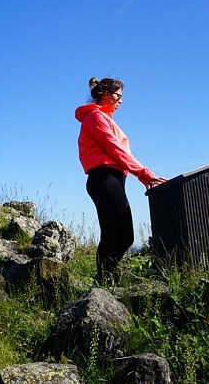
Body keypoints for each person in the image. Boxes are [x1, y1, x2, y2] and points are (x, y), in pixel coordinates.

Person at [75, 77, 166, 284]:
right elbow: (114, 149)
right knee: (122, 235)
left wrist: (140, 175)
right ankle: (105, 279)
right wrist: (143, 173)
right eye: (118, 96)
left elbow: (118, 152)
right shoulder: (95, 118)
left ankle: (106, 279)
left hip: (111, 180)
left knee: (114, 234)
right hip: (104, 178)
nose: (121, 101)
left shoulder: (104, 118)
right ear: (105, 94)